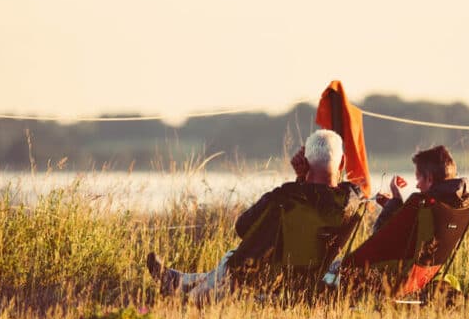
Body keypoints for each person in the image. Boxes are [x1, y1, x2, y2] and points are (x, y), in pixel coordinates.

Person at [147, 129, 363, 302]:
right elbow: (323, 198)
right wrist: (303, 182)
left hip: (259, 281)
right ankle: (181, 281)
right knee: (231, 260)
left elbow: (243, 228)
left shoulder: (284, 197)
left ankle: (181, 290)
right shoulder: (351, 204)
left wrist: (300, 181)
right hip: (307, 284)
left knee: (231, 258)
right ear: (342, 163)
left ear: (305, 163)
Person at [372, 145, 469, 232]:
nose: (417, 185)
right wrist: (391, 205)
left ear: (430, 179)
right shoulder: (458, 205)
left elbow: (378, 235)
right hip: (436, 256)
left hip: (406, 256)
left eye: (418, 179)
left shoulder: (425, 206)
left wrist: (396, 197)